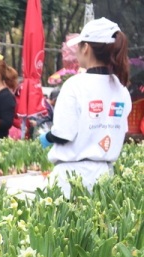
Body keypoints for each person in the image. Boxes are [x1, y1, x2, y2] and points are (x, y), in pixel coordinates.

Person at [39, 17, 132, 197]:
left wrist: (46, 137)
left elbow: (63, 134)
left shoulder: (75, 85)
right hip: (105, 177)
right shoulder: (121, 89)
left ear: (86, 48)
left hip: (70, 177)